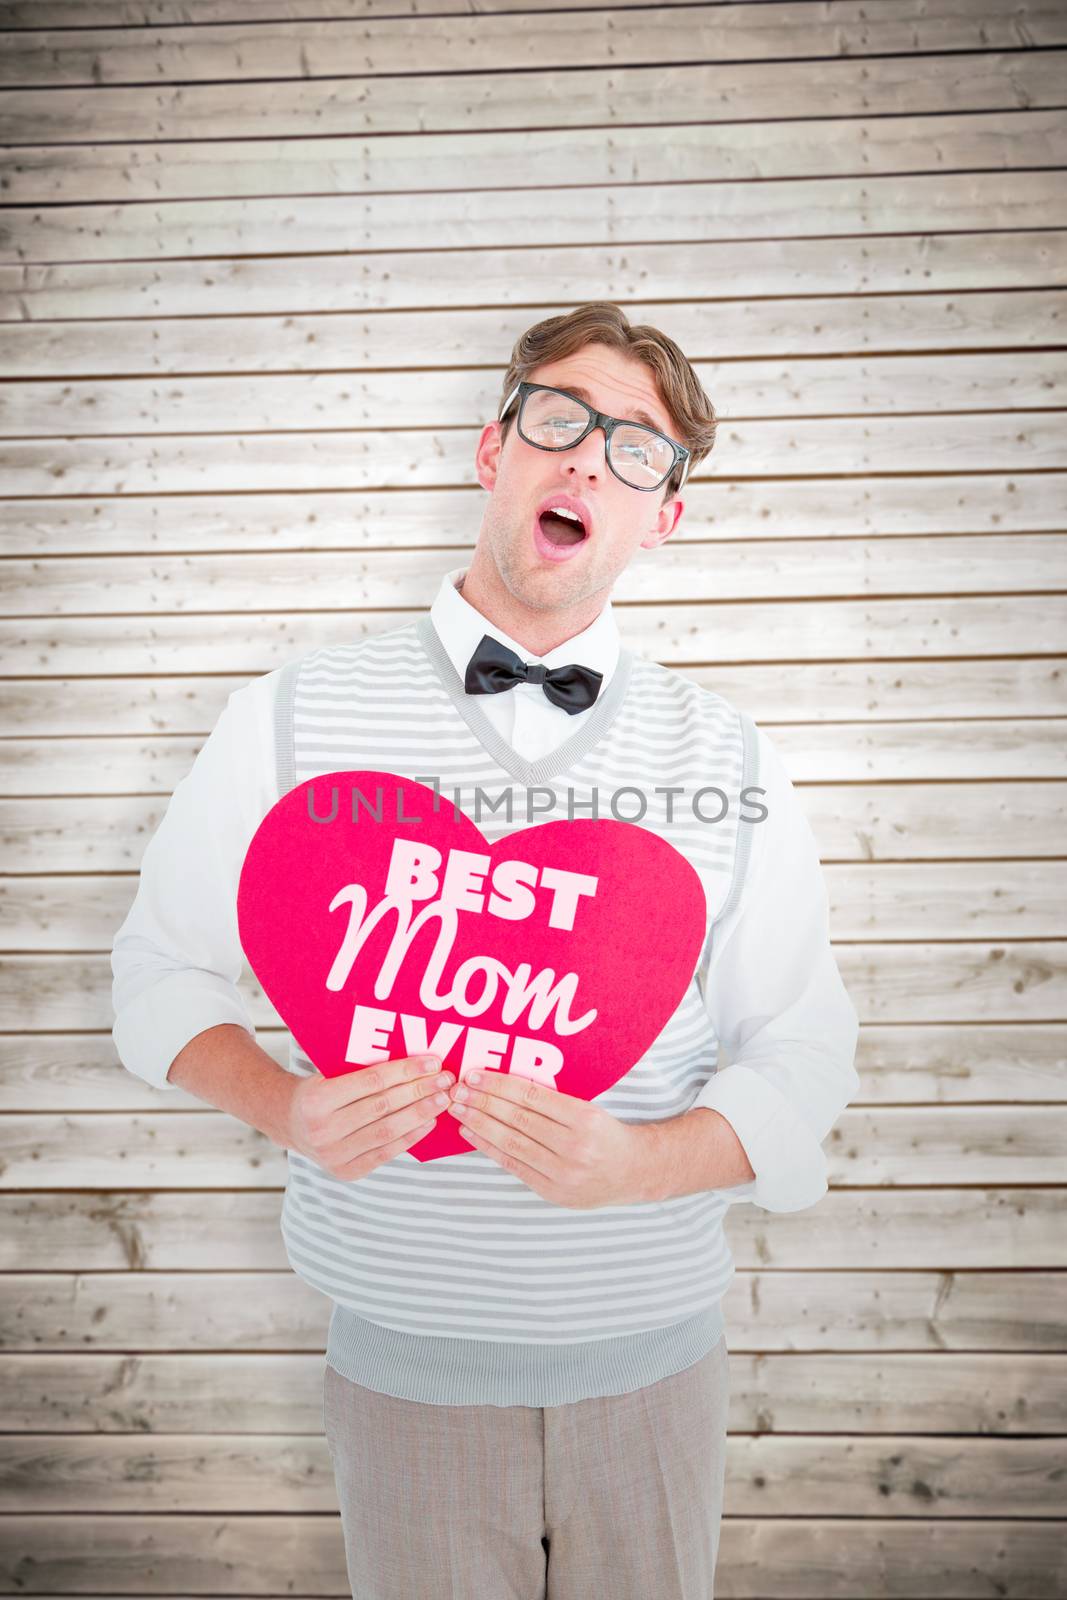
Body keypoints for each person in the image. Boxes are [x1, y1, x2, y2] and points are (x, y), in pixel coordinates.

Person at [111, 301, 860, 1599]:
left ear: (665, 513)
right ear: (492, 449)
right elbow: (156, 978)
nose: (588, 460)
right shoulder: (290, 715)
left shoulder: (728, 756)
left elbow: (802, 1055)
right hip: (403, 1379)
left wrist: (637, 1165)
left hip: (656, 1374)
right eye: (560, 420)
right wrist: (284, 1104)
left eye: (638, 450)